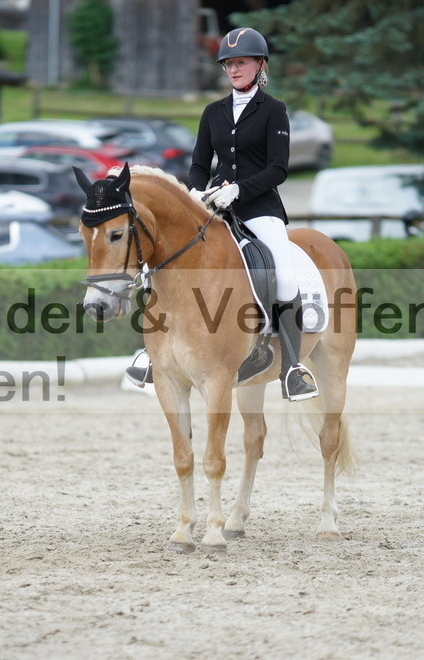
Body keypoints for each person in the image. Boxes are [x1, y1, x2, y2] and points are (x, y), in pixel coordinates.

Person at [126, 27, 317, 401]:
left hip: (259, 208)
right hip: (213, 208)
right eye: (229, 63)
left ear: (260, 65)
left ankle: (292, 366)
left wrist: (240, 189)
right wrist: (197, 191)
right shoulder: (213, 112)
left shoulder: (273, 110)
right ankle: (153, 354)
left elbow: (279, 169)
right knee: (157, 265)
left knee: (284, 276)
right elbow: (199, 164)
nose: (234, 69)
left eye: (241, 62)